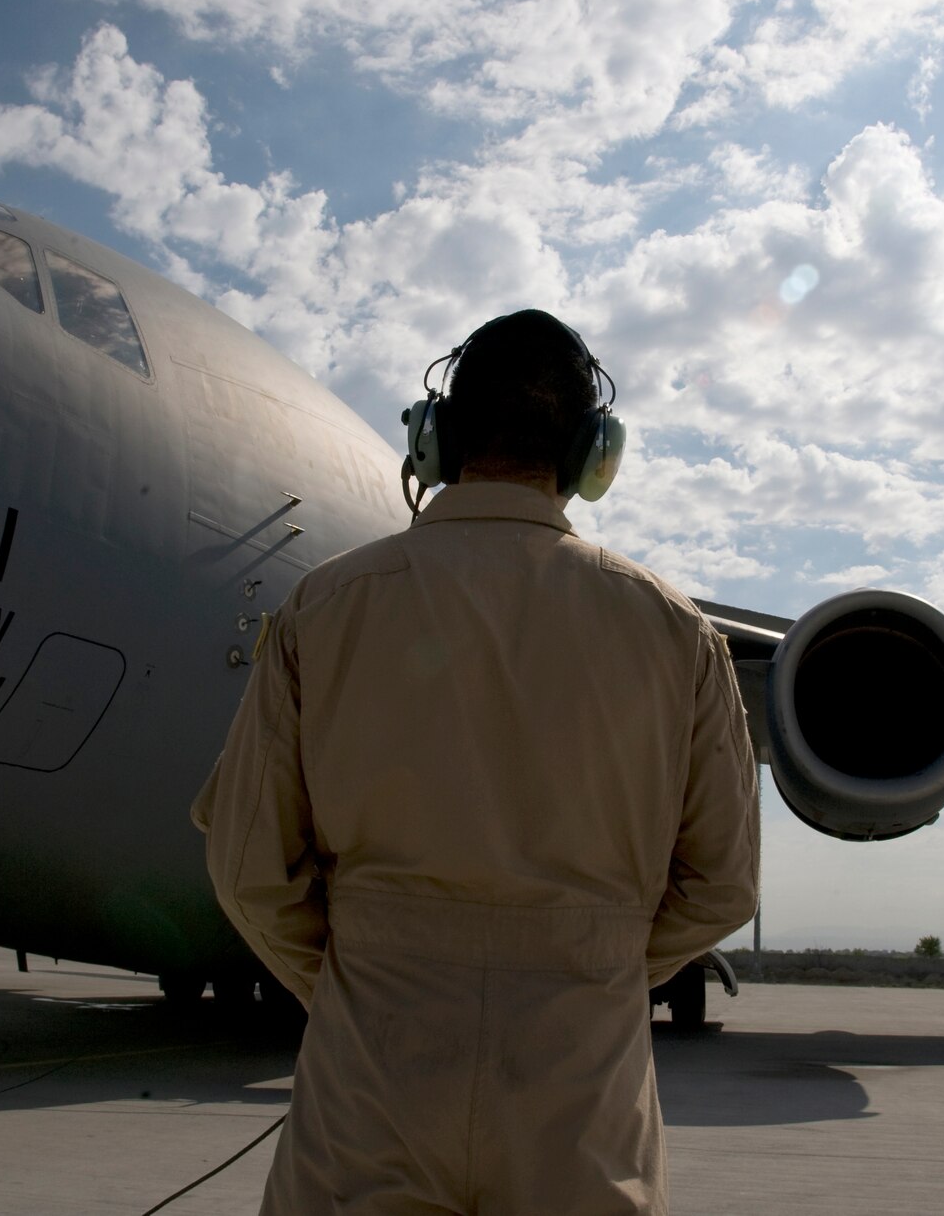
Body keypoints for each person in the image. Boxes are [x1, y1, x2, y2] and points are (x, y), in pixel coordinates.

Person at [191, 308, 760, 1215]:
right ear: (590, 457)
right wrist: (590, 966)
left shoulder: (324, 609)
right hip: (582, 1113)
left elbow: (249, 869)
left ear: (436, 440)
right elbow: (723, 886)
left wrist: (365, 977)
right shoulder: (678, 635)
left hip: (367, 1094)